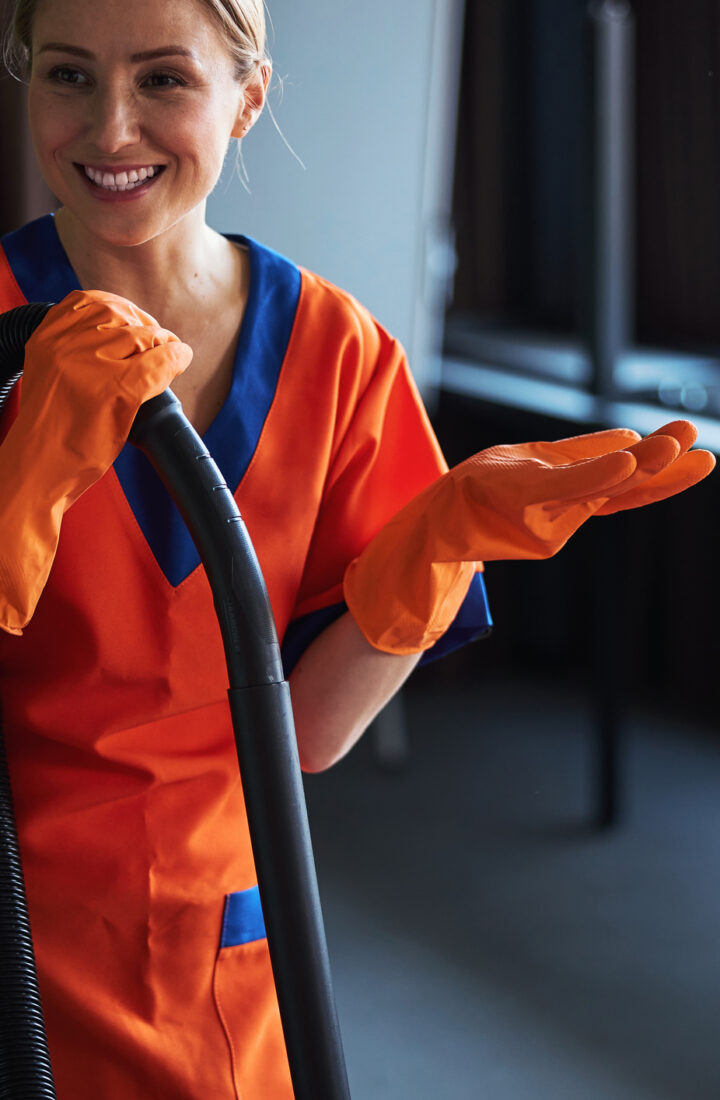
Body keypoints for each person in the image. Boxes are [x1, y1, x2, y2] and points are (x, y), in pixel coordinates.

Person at [0, 0, 714, 1097]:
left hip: (219, 959)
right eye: (68, 77)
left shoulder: (339, 354)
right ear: (23, 78)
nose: (110, 129)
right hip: (19, 953)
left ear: (248, 96)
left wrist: (442, 540)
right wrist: (25, 479)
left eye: (162, 81)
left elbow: (311, 732)